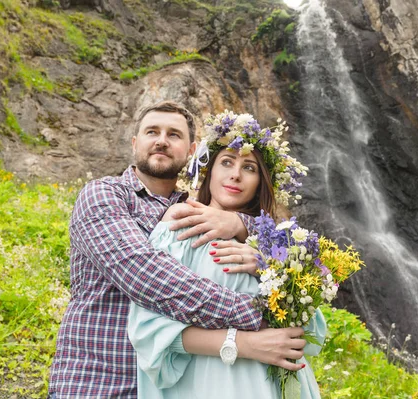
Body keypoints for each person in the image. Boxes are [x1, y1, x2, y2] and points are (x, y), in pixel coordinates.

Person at [48, 102, 307, 398]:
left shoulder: (201, 211)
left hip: (174, 387)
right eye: (152, 132)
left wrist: (241, 223)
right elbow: (146, 275)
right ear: (135, 143)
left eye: (174, 134)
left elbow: (277, 238)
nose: (161, 140)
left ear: (191, 151)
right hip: (98, 382)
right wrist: (256, 316)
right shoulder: (104, 195)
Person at [128, 110, 325, 399]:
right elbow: (148, 327)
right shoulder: (179, 227)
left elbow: (309, 332)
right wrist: (239, 343)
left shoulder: (278, 247)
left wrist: (267, 266)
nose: (235, 174)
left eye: (249, 168)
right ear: (208, 171)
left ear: (261, 181)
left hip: (275, 386)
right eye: (227, 162)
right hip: (205, 382)